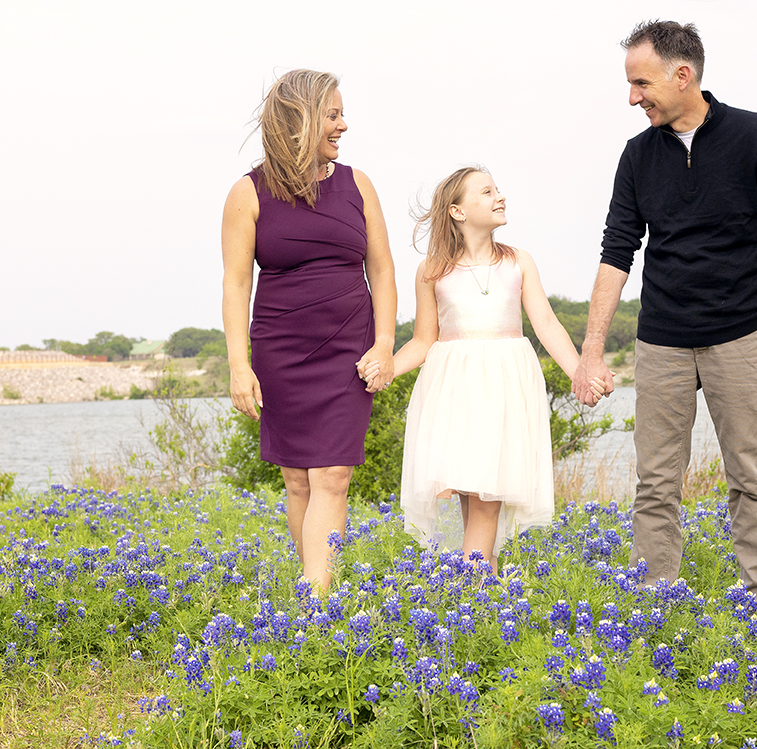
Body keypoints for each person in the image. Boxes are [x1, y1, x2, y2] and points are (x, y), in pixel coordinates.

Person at [572, 20, 757, 621]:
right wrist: (592, 351)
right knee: (655, 483)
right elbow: (616, 249)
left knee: (750, 477)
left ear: (683, 76)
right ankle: (653, 609)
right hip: (663, 341)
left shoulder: (755, 137)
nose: (633, 97)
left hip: (743, 333)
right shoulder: (637, 155)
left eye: (641, 83)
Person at [221, 69, 397, 591]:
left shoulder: (357, 184)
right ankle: (313, 588)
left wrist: (385, 342)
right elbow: (235, 285)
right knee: (298, 482)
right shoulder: (246, 194)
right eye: (333, 114)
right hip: (281, 351)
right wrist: (238, 364)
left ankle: (319, 604)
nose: (344, 125)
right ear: (299, 120)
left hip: (348, 350)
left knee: (332, 475)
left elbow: (382, 269)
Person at [378, 167, 605, 571]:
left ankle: (473, 593)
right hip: (454, 393)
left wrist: (579, 372)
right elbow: (423, 340)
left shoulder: (518, 262)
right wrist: (386, 370)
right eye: (487, 192)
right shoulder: (433, 270)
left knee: (486, 501)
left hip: (504, 390)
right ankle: (482, 592)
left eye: (497, 190)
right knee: (473, 498)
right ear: (458, 211)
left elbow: (547, 325)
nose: (500, 197)